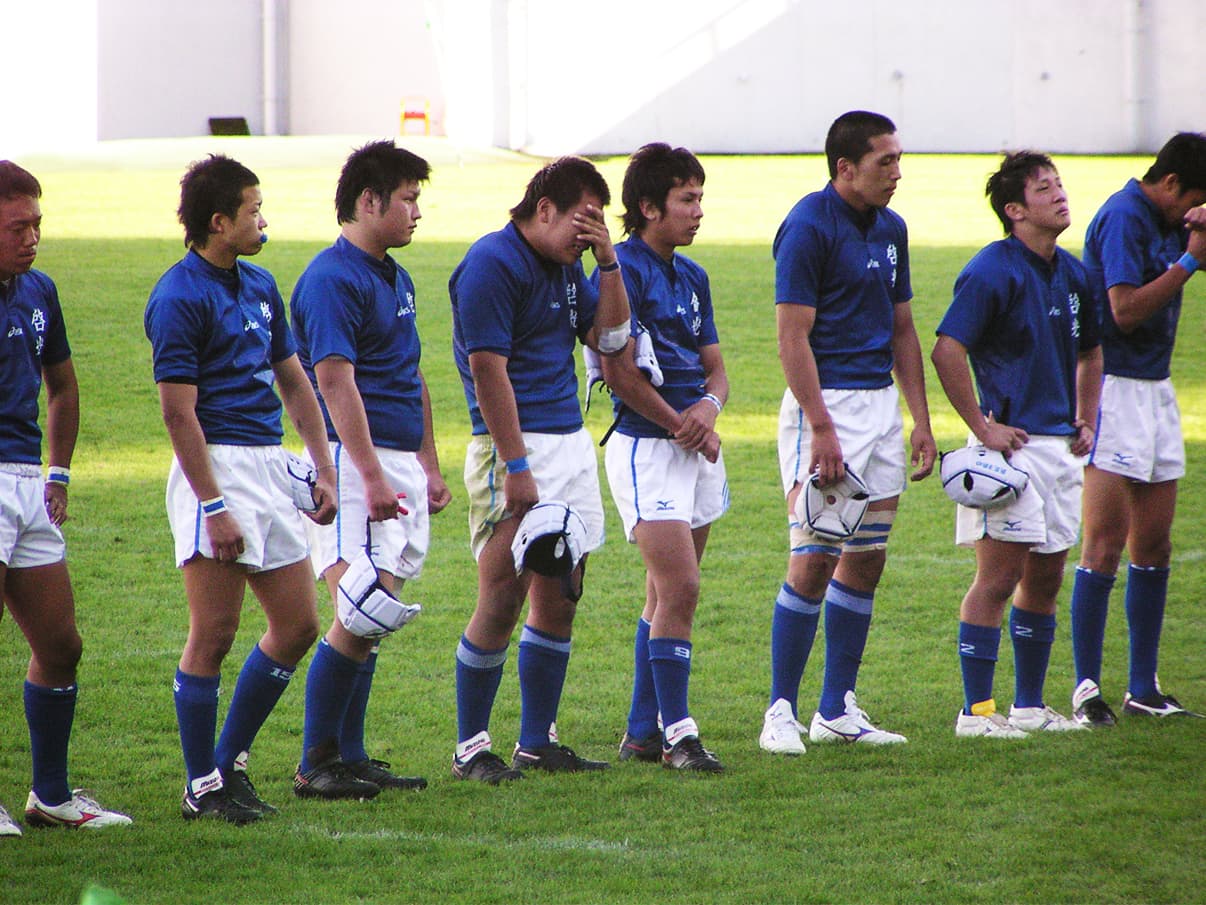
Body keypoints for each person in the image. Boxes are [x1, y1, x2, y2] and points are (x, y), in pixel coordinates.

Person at [145, 155, 338, 823]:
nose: (264, 221)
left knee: (299, 624)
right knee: (215, 632)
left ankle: (225, 765)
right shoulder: (178, 296)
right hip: (216, 469)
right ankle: (201, 785)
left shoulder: (259, 283)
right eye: (254, 211)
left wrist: (323, 466)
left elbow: (295, 381)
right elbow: (178, 414)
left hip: (267, 464)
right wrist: (213, 505)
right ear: (218, 221)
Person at [759, 111, 935, 755]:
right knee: (813, 560)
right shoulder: (807, 226)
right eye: (885, 161)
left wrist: (919, 419)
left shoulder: (892, 228)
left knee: (867, 559)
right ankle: (780, 711)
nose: (897, 173)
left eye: (898, 159)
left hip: (880, 409)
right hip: (826, 408)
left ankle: (836, 709)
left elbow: (903, 328)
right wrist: (821, 428)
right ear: (845, 168)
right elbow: (792, 337)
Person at [449, 156, 630, 783]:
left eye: (598, 224)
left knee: (562, 596)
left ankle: (536, 741)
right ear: (544, 208)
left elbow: (610, 341)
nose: (588, 234)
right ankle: (471, 748)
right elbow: (487, 371)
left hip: (570, 444)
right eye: (584, 221)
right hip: (514, 449)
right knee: (502, 597)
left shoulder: (571, 263)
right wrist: (517, 464)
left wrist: (608, 262)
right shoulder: (491, 263)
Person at [290, 140, 451, 797]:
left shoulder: (395, 275)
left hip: (394, 461)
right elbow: (333, 382)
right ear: (368, 200)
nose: (417, 212)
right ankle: (316, 763)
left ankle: (349, 754)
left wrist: (428, 463)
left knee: (374, 614)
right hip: (354, 462)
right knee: (358, 612)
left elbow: (410, 374)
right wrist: (373, 475)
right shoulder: (332, 279)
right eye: (408, 199)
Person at [931, 151, 1102, 738]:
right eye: (1044, 188)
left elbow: (1092, 352)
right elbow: (947, 350)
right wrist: (983, 429)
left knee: (1046, 580)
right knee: (998, 581)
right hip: (1012, 455)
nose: (1060, 195)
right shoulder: (991, 270)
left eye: (1059, 184)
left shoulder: (1074, 272)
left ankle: (1029, 705)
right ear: (1015, 210)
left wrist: (1087, 416)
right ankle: (976, 713)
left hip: (1061, 450)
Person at [0, 161, 132, 835]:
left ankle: (49, 795)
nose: (32, 238)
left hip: (28, 482)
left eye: (37, 224)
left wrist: (59, 472)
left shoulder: (39, 290)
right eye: (17, 227)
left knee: (61, 644)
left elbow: (63, 387)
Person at [595, 144, 729, 773]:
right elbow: (618, 373)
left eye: (700, 198)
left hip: (692, 448)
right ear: (648, 207)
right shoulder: (619, 272)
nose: (698, 211)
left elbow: (717, 368)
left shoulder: (692, 275)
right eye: (687, 199)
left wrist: (708, 409)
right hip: (646, 450)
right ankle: (679, 733)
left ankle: (641, 733)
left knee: (663, 594)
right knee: (681, 586)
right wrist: (683, 424)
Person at [1068, 132, 1206, 724]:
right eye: (1194, 199)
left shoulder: (1175, 219)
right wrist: (1190, 260)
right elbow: (1122, 312)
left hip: (1156, 388)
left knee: (1153, 543)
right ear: (1171, 183)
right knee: (1103, 544)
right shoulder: (1124, 216)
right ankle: (1086, 690)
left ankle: (1143, 687)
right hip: (1114, 386)